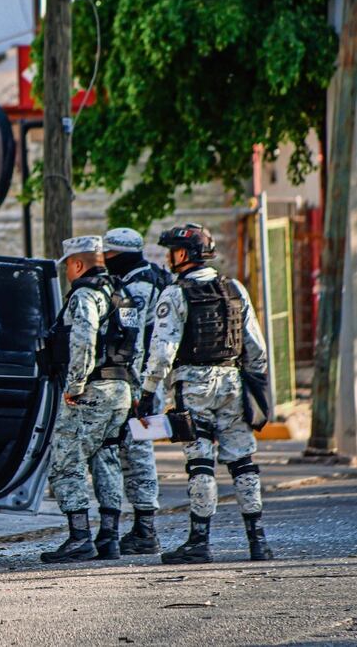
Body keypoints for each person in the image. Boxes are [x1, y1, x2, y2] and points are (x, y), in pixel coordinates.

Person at [136, 223, 273, 563]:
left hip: (193, 386)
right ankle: (258, 542)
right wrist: (256, 388)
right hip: (233, 382)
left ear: (183, 254)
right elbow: (256, 347)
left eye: (172, 251)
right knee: (244, 462)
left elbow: (163, 353)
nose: (169, 257)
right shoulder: (235, 289)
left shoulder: (175, 293)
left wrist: (147, 392)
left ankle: (199, 542)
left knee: (200, 463)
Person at [42, 236, 142, 563]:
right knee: (106, 457)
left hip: (92, 391)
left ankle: (79, 537)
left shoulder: (84, 295)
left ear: (78, 264)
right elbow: (135, 345)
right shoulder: (121, 294)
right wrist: (137, 391)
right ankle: (109, 537)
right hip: (121, 390)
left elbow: (83, 341)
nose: (68, 272)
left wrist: (74, 384)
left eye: (69, 265)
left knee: (66, 460)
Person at [89, 228, 171, 555]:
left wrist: (136, 389)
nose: (105, 262)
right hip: (148, 381)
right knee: (132, 451)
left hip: (138, 382)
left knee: (136, 454)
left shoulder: (138, 285)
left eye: (108, 256)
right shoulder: (156, 277)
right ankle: (141, 526)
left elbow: (132, 341)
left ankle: (145, 528)